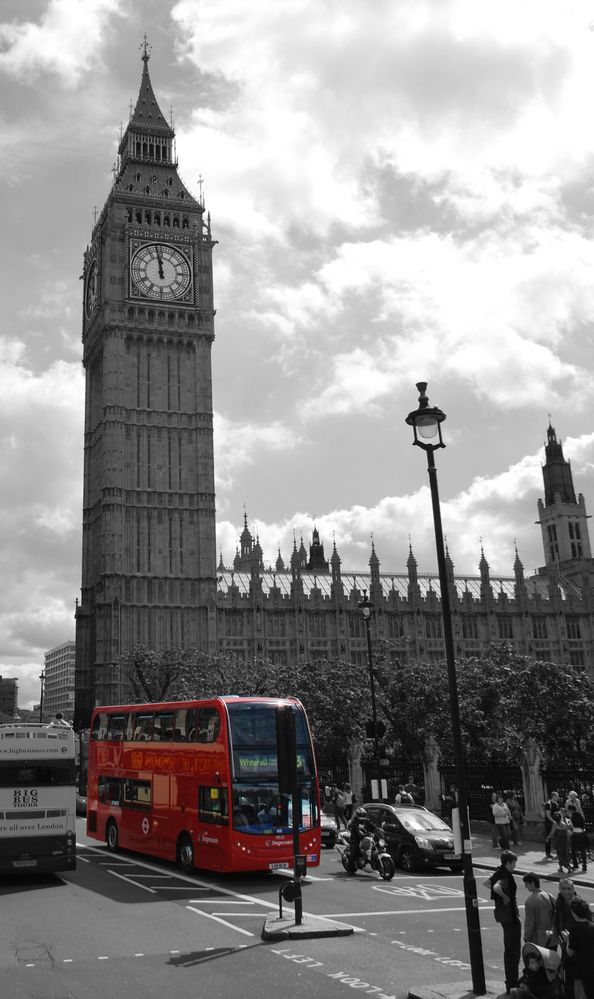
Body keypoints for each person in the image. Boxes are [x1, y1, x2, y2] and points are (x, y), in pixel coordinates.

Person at [484, 850, 522, 995]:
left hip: (503, 917)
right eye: (514, 863)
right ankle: (512, 983)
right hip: (510, 917)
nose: (515, 866)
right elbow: (496, 887)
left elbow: (487, 882)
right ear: (508, 863)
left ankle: (510, 982)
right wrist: (505, 897)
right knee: (513, 951)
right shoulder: (505, 876)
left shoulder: (498, 872)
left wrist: (500, 896)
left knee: (509, 950)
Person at [554, 878, 585, 999]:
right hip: (564, 943)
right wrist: (554, 930)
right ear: (559, 889)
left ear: (573, 888)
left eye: (569, 888)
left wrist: (572, 939)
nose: (566, 892)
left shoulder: (578, 903)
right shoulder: (560, 900)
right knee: (565, 974)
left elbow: (586, 924)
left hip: (576, 946)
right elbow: (557, 917)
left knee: (576, 977)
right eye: (563, 889)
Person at [564, 898, 594, 999]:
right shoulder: (592, 926)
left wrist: (567, 939)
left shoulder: (574, 930)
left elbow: (570, 952)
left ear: (574, 912)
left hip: (580, 971)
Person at [522, 873, 557, 948]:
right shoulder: (549, 896)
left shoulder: (529, 901)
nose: (525, 886)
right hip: (552, 938)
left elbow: (529, 923)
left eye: (526, 884)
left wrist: (526, 937)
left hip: (539, 940)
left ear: (532, 883)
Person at [346, 806, 376, 875]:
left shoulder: (366, 820)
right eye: (360, 815)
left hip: (365, 837)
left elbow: (371, 824)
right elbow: (355, 829)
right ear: (357, 814)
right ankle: (349, 868)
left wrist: (377, 828)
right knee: (354, 851)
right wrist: (360, 833)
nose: (362, 816)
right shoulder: (354, 821)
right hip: (355, 839)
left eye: (363, 815)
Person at [549, 810, 572, 875]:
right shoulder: (564, 824)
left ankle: (567, 866)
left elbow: (552, 832)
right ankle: (561, 867)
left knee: (560, 855)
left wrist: (548, 838)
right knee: (565, 854)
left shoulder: (555, 824)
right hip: (565, 841)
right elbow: (567, 832)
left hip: (558, 841)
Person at [568, 805, 588, 873]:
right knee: (583, 850)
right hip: (581, 833)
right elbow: (583, 825)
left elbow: (571, 826)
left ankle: (575, 865)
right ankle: (584, 866)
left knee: (573, 850)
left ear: (571, 810)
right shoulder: (581, 816)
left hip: (575, 834)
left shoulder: (571, 817)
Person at [543, 792, 560, 860]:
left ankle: (556, 850)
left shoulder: (556, 804)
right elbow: (547, 814)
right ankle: (548, 852)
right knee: (549, 837)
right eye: (557, 796)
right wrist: (553, 821)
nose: (558, 797)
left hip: (555, 823)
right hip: (549, 823)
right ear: (553, 796)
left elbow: (558, 813)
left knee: (556, 836)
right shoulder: (548, 804)